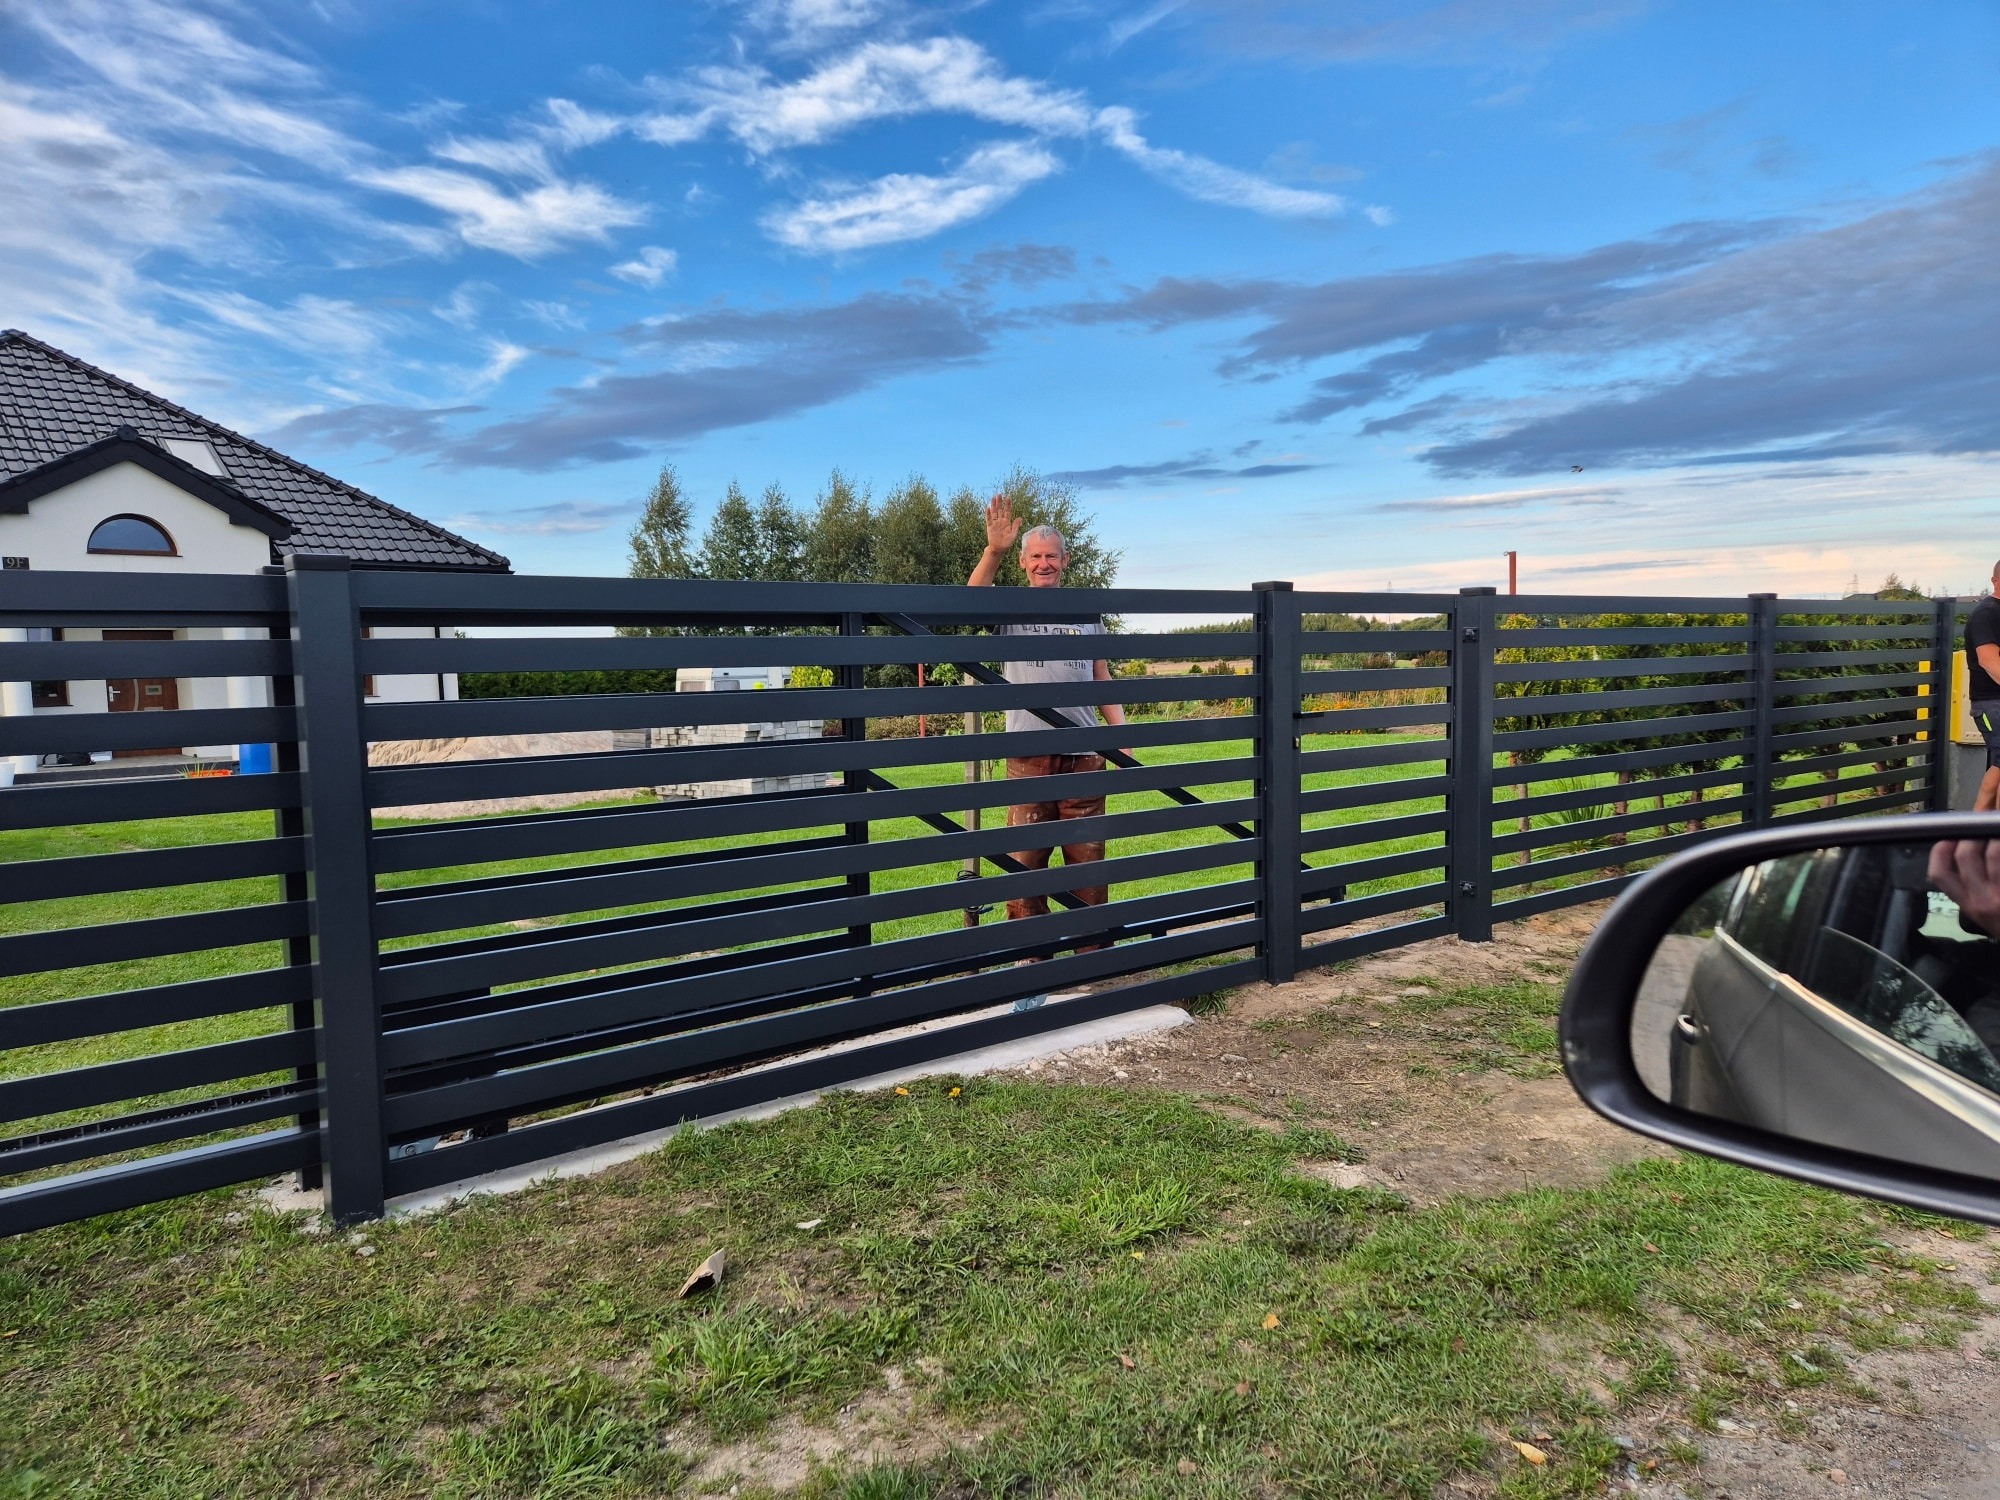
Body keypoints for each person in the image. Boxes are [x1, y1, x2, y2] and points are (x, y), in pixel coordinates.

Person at [967, 492, 1127, 953]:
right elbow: (970, 602)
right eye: (1035, 556)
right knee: (1026, 860)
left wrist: (1122, 737)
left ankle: (1090, 954)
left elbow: (1102, 675)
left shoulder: (1086, 612)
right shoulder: (1010, 609)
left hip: (1084, 757)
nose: (1043, 564)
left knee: (1087, 859)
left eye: (1051, 556)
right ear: (1022, 562)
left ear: (1065, 560)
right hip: (1028, 754)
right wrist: (992, 549)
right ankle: (1033, 954)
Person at [1964, 560, 2000, 811]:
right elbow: (1989, 660)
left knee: (1997, 770)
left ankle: (1974, 834)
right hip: (1991, 703)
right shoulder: (1987, 613)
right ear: (1995, 581)